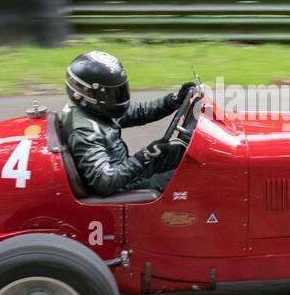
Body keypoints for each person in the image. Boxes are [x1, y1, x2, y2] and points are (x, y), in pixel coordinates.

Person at [61, 50, 197, 196]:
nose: (117, 98)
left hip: (126, 172)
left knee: (181, 154)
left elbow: (139, 113)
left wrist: (173, 100)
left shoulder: (95, 111)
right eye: (110, 94)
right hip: (122, 188)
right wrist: (143, 156)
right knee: (190, 179)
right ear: (87, 94)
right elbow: (104, 182)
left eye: (119, 92)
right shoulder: (85, 131)